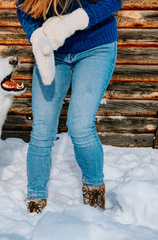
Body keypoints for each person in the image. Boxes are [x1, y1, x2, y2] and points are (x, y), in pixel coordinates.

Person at [15, 0, 124, 213]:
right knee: (42, 129)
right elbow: (24, 7)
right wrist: (36, 36)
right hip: (53, 51)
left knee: (80, 125)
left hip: (95, 47)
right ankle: (36, 196)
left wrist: (74, 21)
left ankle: (94, 186)